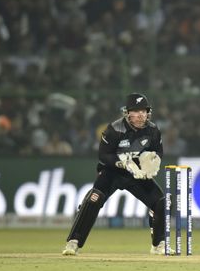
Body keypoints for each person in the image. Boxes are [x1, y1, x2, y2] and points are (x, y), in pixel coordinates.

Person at [62, 93, 171, 255]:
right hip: (111, 172)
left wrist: (154, 162)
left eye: (144, 111)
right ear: (127, 113)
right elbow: (103, 155)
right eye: (136, 111)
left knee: (161, 202)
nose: (141, 115)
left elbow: (158, 152)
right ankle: (74, 242)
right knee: (94, 198)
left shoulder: (153, 130)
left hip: (136, 175)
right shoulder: (115, 129)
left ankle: (159, 244)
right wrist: (122, 162)